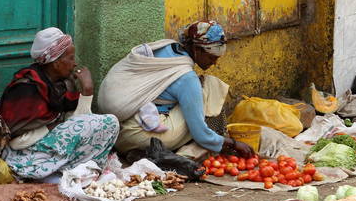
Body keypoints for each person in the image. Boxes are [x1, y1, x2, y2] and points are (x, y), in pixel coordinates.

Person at [99, 20, 255, 160]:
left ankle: (139, 151)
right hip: (139, 136)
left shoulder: (166, 48)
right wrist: (233, 143)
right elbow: (200, 134)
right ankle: (178, 153)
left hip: (116, 132)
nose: (214, 63)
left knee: (190, 98)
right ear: (197, 50)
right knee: (209, 89)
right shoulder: (187, 78)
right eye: (211, 57)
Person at [0, 27, 119, 180]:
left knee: (109, 123)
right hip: (23, 154)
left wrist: (86, 92)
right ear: (56, 63)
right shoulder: (27, 89)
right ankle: (57, 173)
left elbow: (80, 122)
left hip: (48, 146)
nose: (75, 63)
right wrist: (55, 125)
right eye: (71, 58)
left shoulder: (61, 84)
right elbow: (16, 142)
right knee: (107, 122)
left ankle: (69, 171)